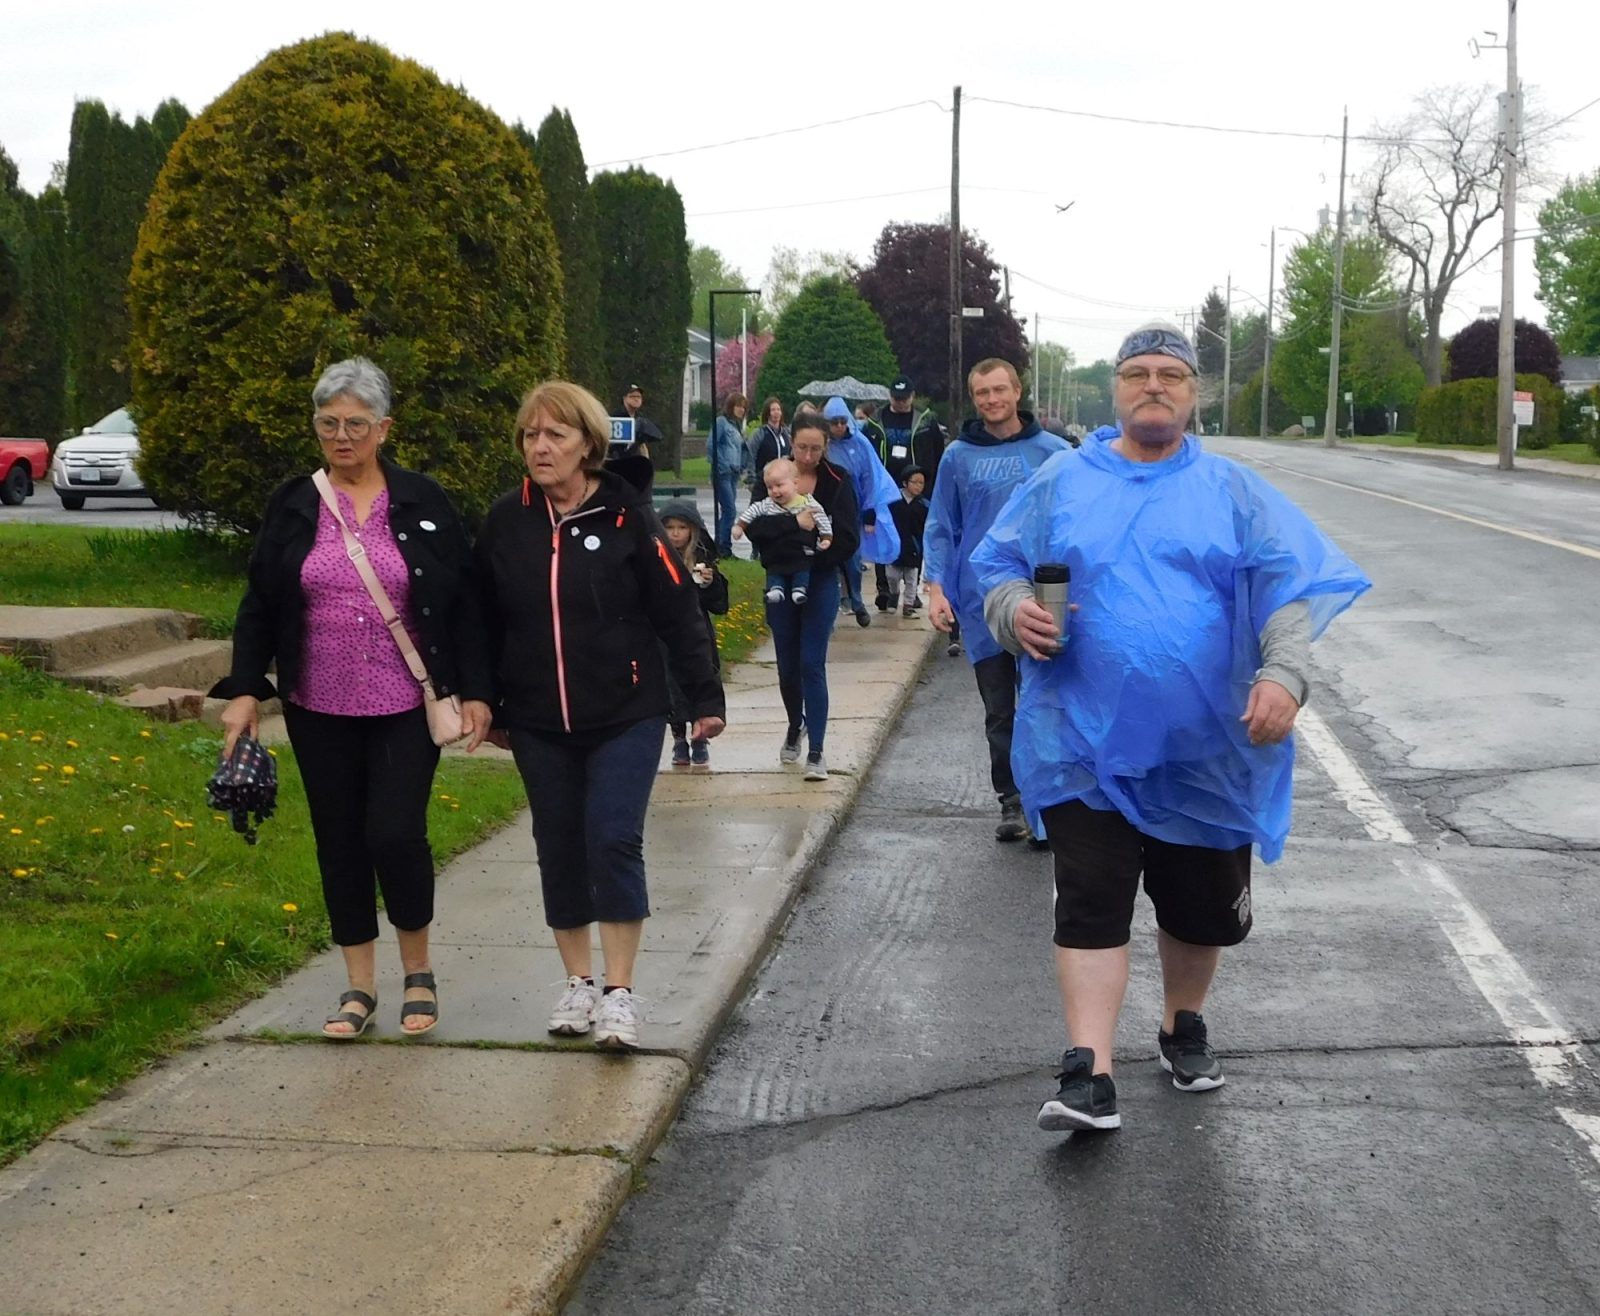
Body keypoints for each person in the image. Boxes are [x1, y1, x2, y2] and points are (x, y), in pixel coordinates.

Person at [970, 322, 1370, 1134]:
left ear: (1195, 393)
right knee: (1089, 900)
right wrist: (1015, 614)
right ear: (1115, 389)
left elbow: (1287, 592)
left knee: (1200, 908)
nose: (1154, 387)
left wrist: (1283, 676)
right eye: (1138, 374)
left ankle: (1181, 1024)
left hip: (1206, 749)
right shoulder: (1062, 481)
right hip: (1081, 740)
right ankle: (1089, 1071)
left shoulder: (1232, 490)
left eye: (1172, 376)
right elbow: (997, 566)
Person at [213, 357, 493, 1040]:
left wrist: (480, 693)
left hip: (404, 702)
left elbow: (466, 606)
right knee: (339, 841)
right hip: (317, 703)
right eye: (329, 424)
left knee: (395, 834)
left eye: (356, 425)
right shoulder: (294, 503)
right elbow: (259, 601)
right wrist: (247, 690)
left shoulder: (423, 500)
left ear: (384, 428)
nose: (341, 437)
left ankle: (418, 971)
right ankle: (359, 986)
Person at [476, 380, 725, 1049]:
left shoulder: (627, 516)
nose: (540, 447)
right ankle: (577, 984)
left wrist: (704, 696)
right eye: (530, 435)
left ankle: (618, 992)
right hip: (536, 717)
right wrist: (482, 697)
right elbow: (482, 618)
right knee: (557, 843)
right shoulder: (508, 519)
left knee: (612, 837)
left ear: (588, 444)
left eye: (555, 434)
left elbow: (678, 610)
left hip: (626, 711)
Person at [923, 358, 1069, 843]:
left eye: (999, 390)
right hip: (981, 603)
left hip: (1044, 598)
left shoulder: (1055, 452)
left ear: (1017, 390)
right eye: (982, 392)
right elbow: (942, 525)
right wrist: (937, 588)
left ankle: (1048, 806)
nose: (991, 400)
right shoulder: (957, 457)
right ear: (974, 397)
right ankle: (1012, 802)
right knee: (1001, 709)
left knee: (1045, 705)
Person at [740, 413, 860, 782]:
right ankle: (797, 723)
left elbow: (847, 537)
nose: (808, 456)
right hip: (779, 576)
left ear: (827, 447)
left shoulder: (838, 481)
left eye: (816, 449)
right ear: (791, 444)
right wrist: (794, 526)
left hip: (820, 578)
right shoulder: (774, 477)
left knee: (811, 663)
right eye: (802, 448)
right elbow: (756, 528)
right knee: (787, 664)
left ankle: (817, 751)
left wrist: (810, 555)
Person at [658, 498, 729, 768]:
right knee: (671, 685)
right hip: (665, 635)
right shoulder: (655, 559)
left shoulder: (702, 562)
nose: (675, 534)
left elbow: (719, 604)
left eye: (681, 528)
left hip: (697, 634)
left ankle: (700, 735)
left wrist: (710, 585)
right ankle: (679, 737)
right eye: (669, 528)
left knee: (700, 680)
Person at [820, 396, 901, 627]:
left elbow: (870, 477)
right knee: (827, 561)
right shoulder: (823, 444)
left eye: (842, 421)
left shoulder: (860, 444)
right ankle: (835, 603)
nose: (838, 427)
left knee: (852, 560)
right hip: (824, 508)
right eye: (833, 422)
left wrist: (870, 511)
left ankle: (856, 601)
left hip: (851, 509)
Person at [871, 379, 945, 611]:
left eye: (904, 398)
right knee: (885, 537)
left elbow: (938, 454)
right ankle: (884, 587)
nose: (901, 402)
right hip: (887, 491)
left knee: (914, 538)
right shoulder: (875, 421)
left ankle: (911, 591)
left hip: (917, 490)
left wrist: (932, 488)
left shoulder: (926, 421)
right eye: (896, 398)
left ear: (913, 396)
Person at [734, 457, 833, 604]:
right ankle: (775, 589)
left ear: (795, 483)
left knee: (802, 567)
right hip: (776, 554)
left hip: (801, 552)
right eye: (770, 487)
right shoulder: (767, 504)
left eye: (779, 485)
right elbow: (751, 513)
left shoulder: (806, 502)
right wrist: (740, 526)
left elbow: (821, 517)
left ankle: (799, 589)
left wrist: (826, 537)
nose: (775, 491)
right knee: (774, 569)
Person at [885, 466, 929, 617]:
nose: (918, 486)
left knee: (911, 578)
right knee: (892, 575)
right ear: (905, 483)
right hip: (894, 544)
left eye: (921, 483)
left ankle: (908, 605)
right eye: (914, 482)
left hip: (913, 546)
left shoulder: (923, 505)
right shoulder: (893, 499)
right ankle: (894, 594)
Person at [710, 393, 750, 555]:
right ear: (731, 406)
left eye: (743, 407)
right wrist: (722, 464)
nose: (741, 410)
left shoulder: (736, 426)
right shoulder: (722, 423)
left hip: (734, 473)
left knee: (728, 511)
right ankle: (723, 548)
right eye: (738, 406)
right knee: (730, 510)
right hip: (723, 473)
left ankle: (720, 546)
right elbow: (711, 445)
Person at [747, 397, 790, 503]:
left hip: (783, 480)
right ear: (768, 413)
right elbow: (751, 454)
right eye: (773, 410)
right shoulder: (760, 433)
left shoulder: (786, 433)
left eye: (778, 409)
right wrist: (751, 478)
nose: (776, 413)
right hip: (764, 480)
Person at [620, 383, 663, 459]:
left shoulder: (639, 419)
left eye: (639, 397)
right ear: (624, 398)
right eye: (632, 396)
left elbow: (642, 445)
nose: (636, 399)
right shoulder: (618, 417)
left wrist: (647, 465)